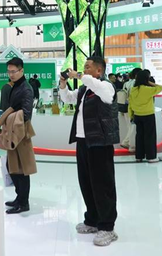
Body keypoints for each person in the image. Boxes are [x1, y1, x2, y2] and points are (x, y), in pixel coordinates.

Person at [59, 57, 119, 247]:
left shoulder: (106, 87)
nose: (84, 70)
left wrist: (77, 75)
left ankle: (107, 227)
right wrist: (63, 84)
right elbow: (67, 98)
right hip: (83, 142)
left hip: (100, 142)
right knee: (86, 182)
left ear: (99, 71)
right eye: (83, 68)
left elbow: (96, 86)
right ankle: (92, 219)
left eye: (87, 67)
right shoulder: (85, 89)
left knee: (103, 185)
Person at [0, 57, 35, 214]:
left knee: (21, 169)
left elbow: (26, 113)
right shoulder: (15, 86)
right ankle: (19, 198)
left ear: (22, 71)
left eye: (13, 71)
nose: (11, 74)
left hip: (20, 132)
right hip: (13, 131)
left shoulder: (26, 89)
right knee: (12, 166)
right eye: (9, 71)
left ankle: (24, 202)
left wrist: (9, 118)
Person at [129, 71, 162, 163]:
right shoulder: (147, 89)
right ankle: (151, 157)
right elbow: (160, 87)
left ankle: (139, 156)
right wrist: (150, 82)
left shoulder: (133, 90)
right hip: (148, 115)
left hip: (137, 115)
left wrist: (131, 115)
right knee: (150, 136)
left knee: (139, 136)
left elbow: (130, 104)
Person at [120, 67, 142, 151]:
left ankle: (130, 146)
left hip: (125, 106)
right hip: (132, 107)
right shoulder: (136, 83)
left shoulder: (126, 83)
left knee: (129, 126)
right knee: (132, 127)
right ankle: (127, 143)